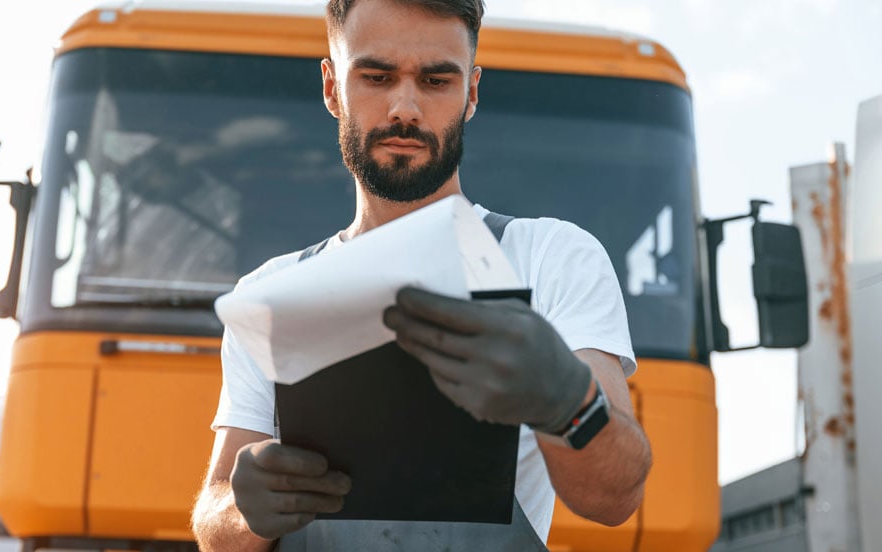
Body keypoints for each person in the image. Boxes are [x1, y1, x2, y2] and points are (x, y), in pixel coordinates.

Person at [191, 0, 652, 549]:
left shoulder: (552, 258)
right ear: (332, 87)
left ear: (471, 94)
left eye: (436, 81)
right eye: (377, 77)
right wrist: (242, 510)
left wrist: (567, 401)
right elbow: (216, 527)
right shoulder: (269, 293)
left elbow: (614, 499)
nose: (405, 108)